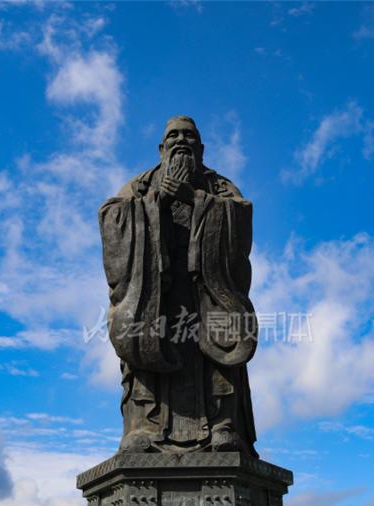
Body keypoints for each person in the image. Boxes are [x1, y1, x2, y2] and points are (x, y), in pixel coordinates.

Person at [98, 115, 258, 456]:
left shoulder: (220, 187)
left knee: (221, 333)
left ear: (200, 148)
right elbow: (113, 218)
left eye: (188, 136)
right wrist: (156, 204)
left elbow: (240, 219)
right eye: (173, 135)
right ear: (161, 148)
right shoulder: (140, 186)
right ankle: (143, 426)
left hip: (207, 290)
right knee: (143, 335)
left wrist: (194, 199)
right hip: (155, 292)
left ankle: (221, 425)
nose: (181, 140)